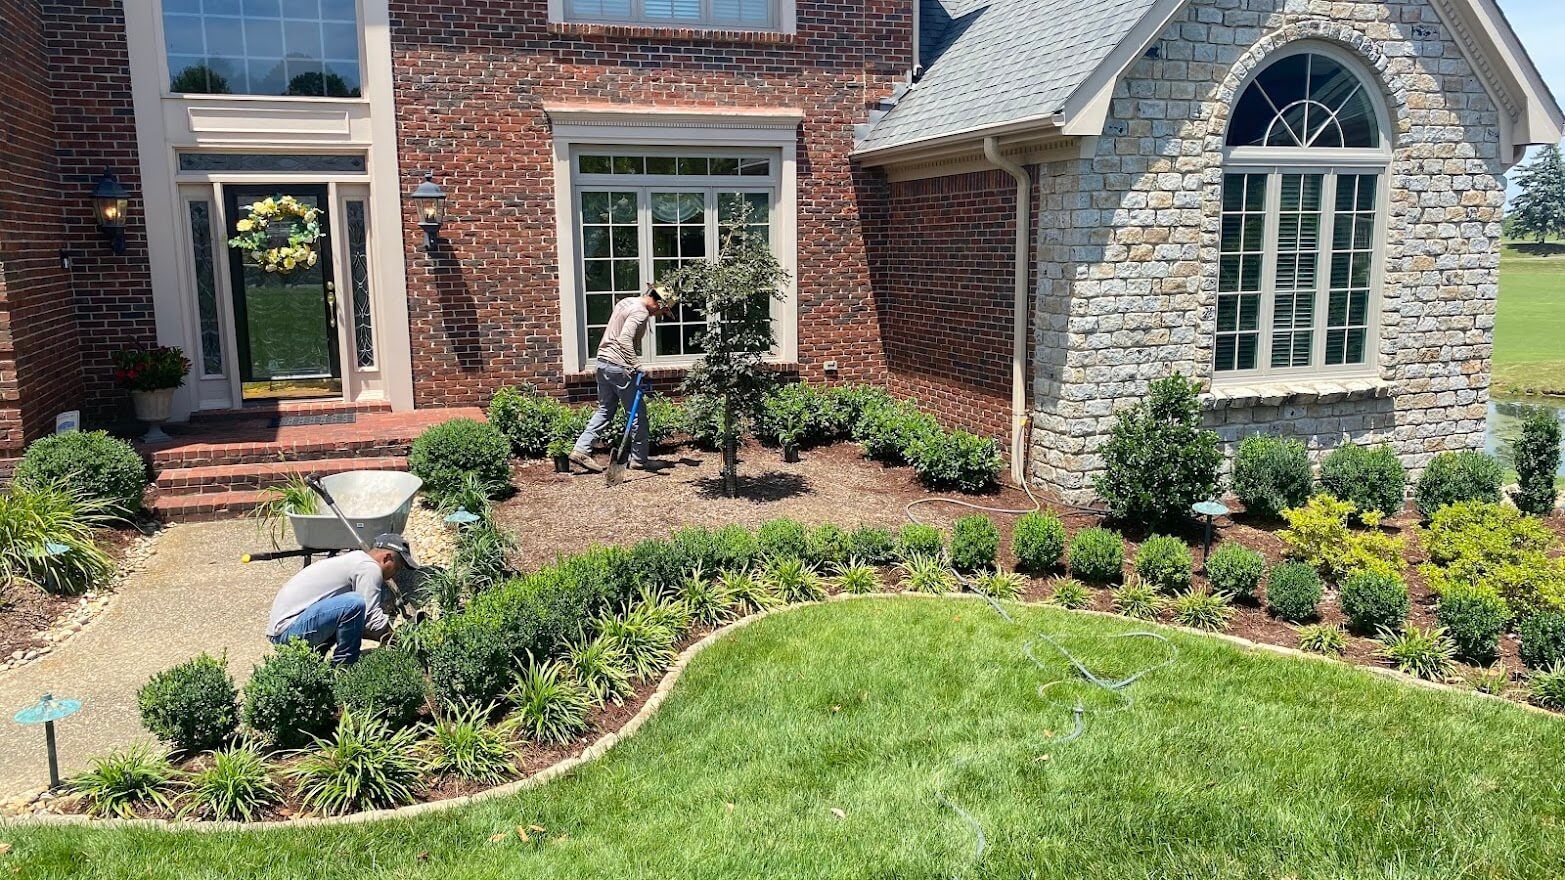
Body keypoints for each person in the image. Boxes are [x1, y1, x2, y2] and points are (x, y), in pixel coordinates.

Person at [265, 534, 420, 666]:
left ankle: (318, 669)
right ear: (387, 558)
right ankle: (345, 668)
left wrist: (385, 637)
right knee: (354, 603)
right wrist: (397, 640)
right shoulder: (369, 567)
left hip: (287, 629)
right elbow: (371, 617)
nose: (394, 574)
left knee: (350, 612)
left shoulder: (356, 560)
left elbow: (358, 624)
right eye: (397, 568)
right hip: (289, 630)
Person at [569, 283, 677, 473]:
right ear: (658, 303)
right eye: (663, 310)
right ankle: (639, 460)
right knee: (637, 415)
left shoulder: (627, 302)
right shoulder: (641, 312)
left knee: (605, 410)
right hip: (620, 368)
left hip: (603, 363)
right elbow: (624, 339)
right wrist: (636, 365)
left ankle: (581, 449)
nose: (660, 315)